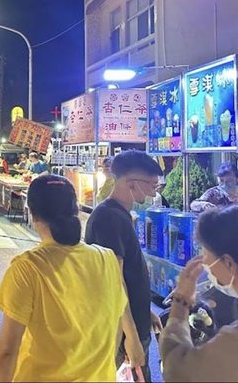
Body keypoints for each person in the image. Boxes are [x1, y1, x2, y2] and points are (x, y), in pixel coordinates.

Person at [0, 175, 133, 381]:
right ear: (76, 209)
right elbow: (116, 327)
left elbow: (7, 352)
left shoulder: (27, 267)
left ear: (32, 213)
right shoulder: (107, 259)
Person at [85, 150, 164, 382]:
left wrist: (145, 310)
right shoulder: (109, 219)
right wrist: (131, 337)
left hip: (132, 324)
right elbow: (114, 282)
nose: (153, 193)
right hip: (121, 334)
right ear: (131, 184)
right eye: (151, 186)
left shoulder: (119, 214)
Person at [159, 205, 238, 382]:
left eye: (207, 262)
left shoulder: (232, 342)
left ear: (228, 263)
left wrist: (181, 301)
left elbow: (177, 370)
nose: (206, 270)